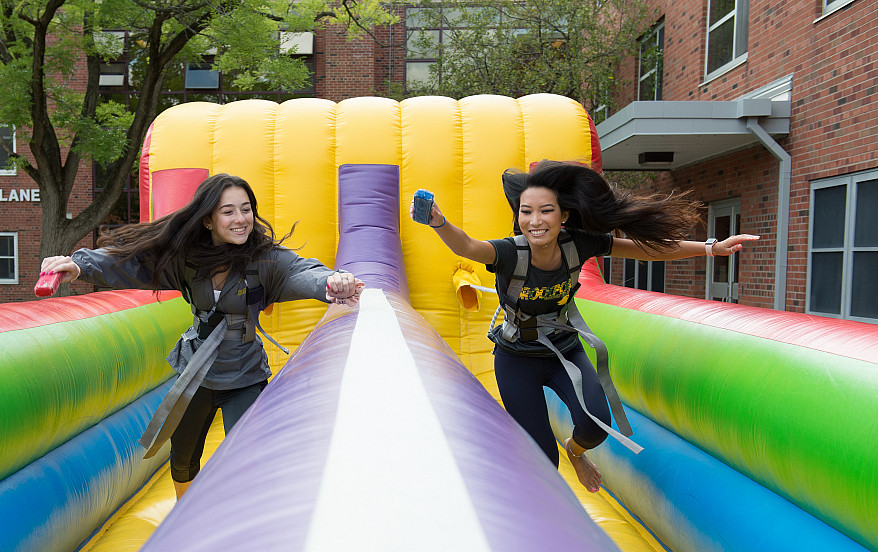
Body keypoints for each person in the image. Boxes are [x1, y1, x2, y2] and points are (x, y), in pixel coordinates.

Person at [412, 160, 758, 493]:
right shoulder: (508, 253)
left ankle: (574, 451)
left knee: (594, 427)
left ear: (563, 215)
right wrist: (439, 222)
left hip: (564, 349)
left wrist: (711, 248)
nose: (535, 220)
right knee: (541, 457)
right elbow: (469, 246)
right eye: (526, 211)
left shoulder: (578, 243)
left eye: (546, 210)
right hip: (517, 358)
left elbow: (644, 250)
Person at [41, 173, 364, 499]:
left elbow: (301, 273)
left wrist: (331, 283)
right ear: (208, 220)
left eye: (246, 209)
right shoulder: (186, 259)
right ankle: (186, 518)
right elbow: (131, 263)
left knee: (250, 460)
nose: (241, 219)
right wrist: (79, 265)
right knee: (182, 459)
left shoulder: (265, 259)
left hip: (245, 374)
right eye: (229, 211)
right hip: (197, 373)